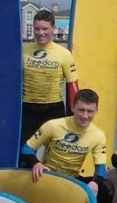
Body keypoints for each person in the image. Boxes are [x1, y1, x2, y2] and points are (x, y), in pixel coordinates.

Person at [21, 88, 113, 203]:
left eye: (90, 111)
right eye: (81, 110)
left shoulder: (98, 135)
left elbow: (101, 168)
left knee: (107, 187)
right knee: (25, 168)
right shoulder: (53, 125)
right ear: (72, 107)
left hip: (72, 180)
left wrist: (95, 182)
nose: (85, 116)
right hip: (48, 176)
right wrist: (36, 163)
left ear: (96, 111)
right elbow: (27, 149)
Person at [21, 9, 79, 165]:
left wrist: (72, 116)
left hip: (54, 109)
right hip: (27, 109)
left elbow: (72, 85)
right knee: (24, 154)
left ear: (53, 28)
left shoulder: (64, 54)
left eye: (45, 29)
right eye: (37, 29)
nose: (40, 33)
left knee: (55, 155)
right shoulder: (23, 51)